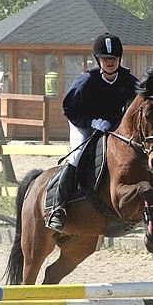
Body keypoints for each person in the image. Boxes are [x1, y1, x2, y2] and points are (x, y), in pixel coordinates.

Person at [46, 33, 138, 231]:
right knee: (77, 157)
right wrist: (91, 122)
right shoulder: (86, 81)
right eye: (106, 59)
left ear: (119, 59)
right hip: (83, 123)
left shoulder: (129, 81)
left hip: (115, 128)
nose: (110, 62)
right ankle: (58, 207)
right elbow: (69, 108)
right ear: (98, 60)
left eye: (113, 58)